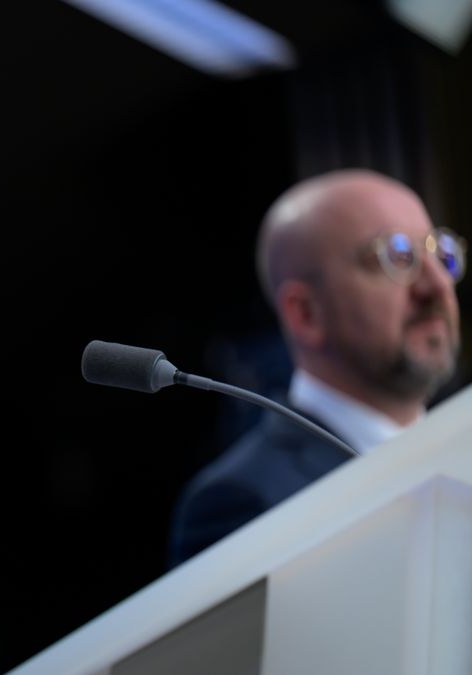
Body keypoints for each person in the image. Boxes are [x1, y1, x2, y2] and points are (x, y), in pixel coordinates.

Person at [168, 168, 464, 567]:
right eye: (396, 256)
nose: (438, 286)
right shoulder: (243, 504)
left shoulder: (460, 448)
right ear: (306, 313)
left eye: (440, 254)